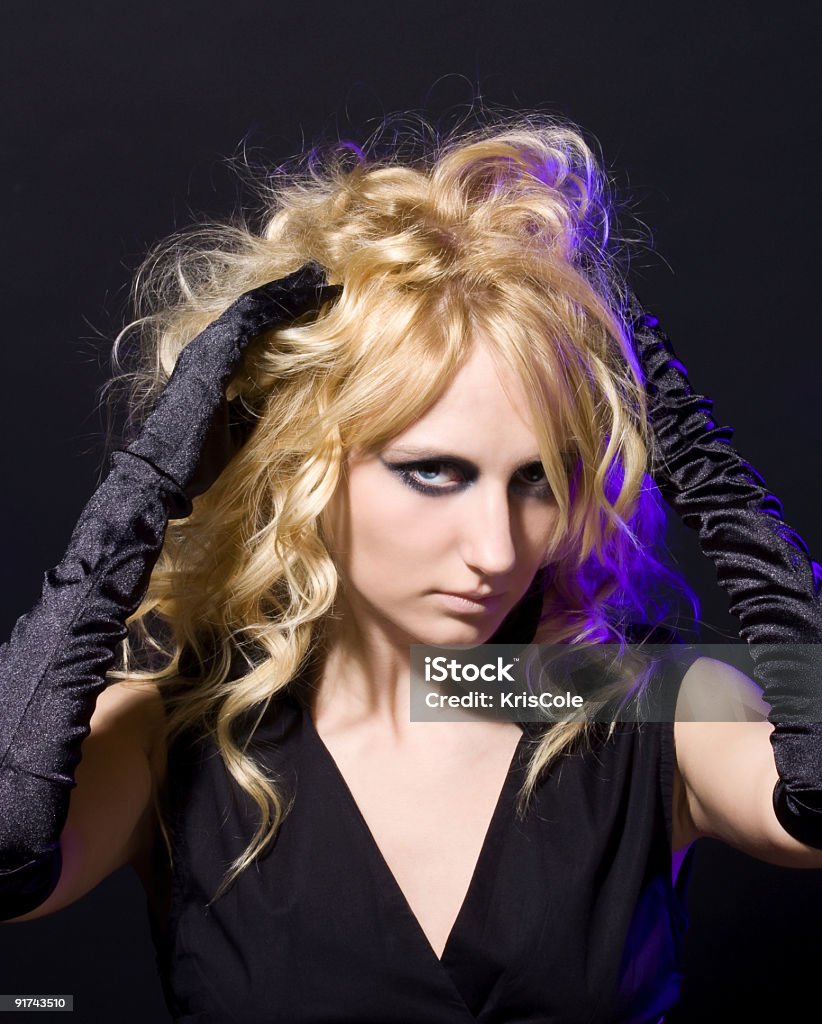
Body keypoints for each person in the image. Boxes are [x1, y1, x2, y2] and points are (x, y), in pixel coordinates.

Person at [1, 113, 821, 1023]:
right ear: (302, 465)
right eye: (434, 472)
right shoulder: (175, 736)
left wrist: (702, 458)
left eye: (538, 481)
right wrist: (149, 484)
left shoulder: (659, 701)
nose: (499, 550)